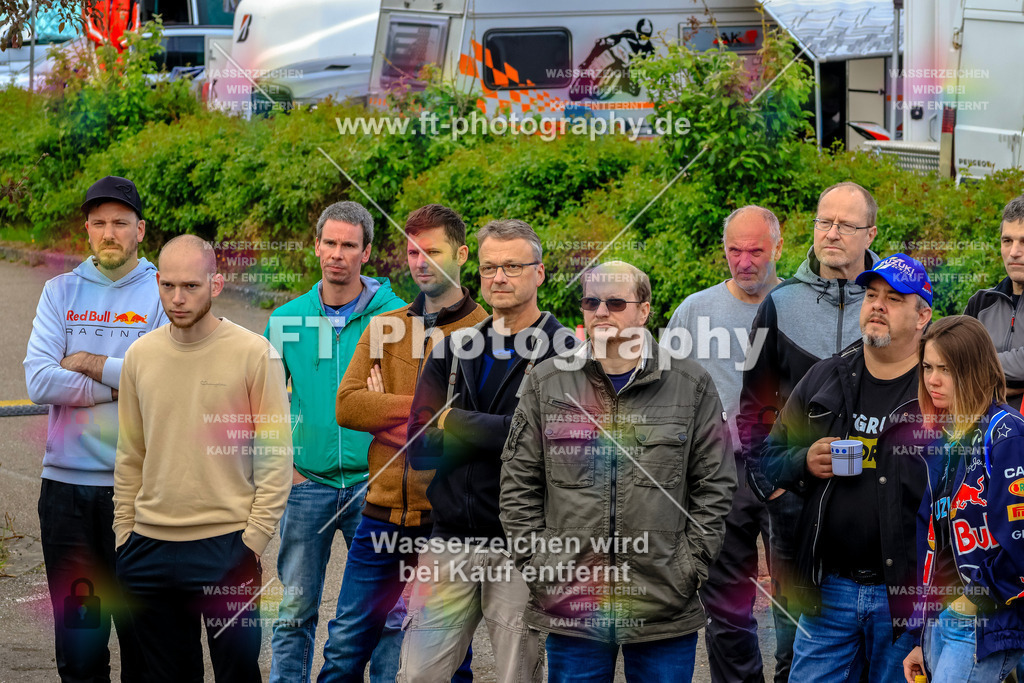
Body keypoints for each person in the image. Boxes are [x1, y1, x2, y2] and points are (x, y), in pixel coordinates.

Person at [502, 260, 736, 682]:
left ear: (644, 311)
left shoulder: (690, 383)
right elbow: (518, 484)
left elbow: (715, 484)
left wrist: (689, 567)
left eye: (615, 302)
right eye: (591, 301)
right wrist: (540, 565)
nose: (601, 312)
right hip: (573, 605)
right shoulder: (547, 382)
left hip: (663, 603)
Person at [399, 219, 576, 683]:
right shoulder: (454, 349)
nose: (498, 277)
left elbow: (554, 446)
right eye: (489, 267)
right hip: (448, 542)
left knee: (518, 675)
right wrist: (506, 433)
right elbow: (419, 450)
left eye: (512, 266)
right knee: (418, 675)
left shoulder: (567, 355)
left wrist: (453, 422)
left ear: (539, 273)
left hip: (524, 548)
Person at [113, 235, 293, 682]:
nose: (178, 298)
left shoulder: (254, 353)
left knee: (237, 674)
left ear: (217, 283)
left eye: (191, 286)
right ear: (157, 282)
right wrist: (124, 534)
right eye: (168, 285)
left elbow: (275, 454)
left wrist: (253, 540)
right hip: (148, 548)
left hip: (227, 545)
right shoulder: (140, 355)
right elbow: (130, 453)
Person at [322, 204, 486, 681]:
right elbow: (348, 406)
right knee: (345, 647)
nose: (420, 262)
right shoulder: (384, 325)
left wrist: (389, 409)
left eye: (432, 251)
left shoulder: (485, 334)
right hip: (379, 517)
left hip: (448, 525)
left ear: (461, 254)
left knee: (449, 659)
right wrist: (432, 411)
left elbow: (479, 431)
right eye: (413, 251)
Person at [759, 254, 934, 682]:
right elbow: (766, 460)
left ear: (922, 316)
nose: (877, 305)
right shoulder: (825, 377)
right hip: (829, 590)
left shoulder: (938, 390)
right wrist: (805, 461)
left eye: (894, 298)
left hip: (905, 599)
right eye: (871, 295)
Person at [738, 181, 881, 681]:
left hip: (871, 501)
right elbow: (753, 406)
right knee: (792, 647)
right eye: (824, 221)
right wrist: (773, 487)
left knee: (875, 644)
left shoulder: (894, 300)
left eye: (846, 224)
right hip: (795, 500)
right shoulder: (778, 304)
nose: (832, 232)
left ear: (871, 233)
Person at [24, 175, 163, 682]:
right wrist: (117, 380)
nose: (109, 232)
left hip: (140, 493)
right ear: (86, 230)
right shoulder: (59, 290)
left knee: (146, 650)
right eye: (99, 223)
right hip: (64, 491)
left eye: (120, 223)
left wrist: (83, 360)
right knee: (79, 653)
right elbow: (39, 379)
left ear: (140, 229)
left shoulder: (162, 291)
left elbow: (161, 378)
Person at [264, 201, 405, 683]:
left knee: (388, 614)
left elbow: (420, 403)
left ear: (367, 253)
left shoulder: (400, 319)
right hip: (308, 485)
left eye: (349, 245)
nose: (337, 254)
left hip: (379, 486)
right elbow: (264, 404)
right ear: (316, 246)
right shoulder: (286, 320)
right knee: (295, 609)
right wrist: (286, 466)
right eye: (330, 243)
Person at [662, 206, 782, 683]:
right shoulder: (695, 310)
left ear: (777, 247)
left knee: (799, 596)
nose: (745, 261)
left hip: (785, 470)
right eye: (735, 250)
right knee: (727, 605)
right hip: (716, 472)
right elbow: (662, 391)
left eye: (756, 250)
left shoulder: (795, 307)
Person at [902, 315, 1024, 683]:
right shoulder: (944, 439)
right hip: (942, 620)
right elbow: (932, 544)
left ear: (974, 370)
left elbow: (1020, 537)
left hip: (984, 622)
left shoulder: (1006, 432)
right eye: (927, 367)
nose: (932, 379)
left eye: (946, 369)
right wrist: (919, 635)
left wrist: (976, 598)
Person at [964, 193, 1024, 410]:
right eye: (1007, 241)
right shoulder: (981, 302)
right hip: (980, 433)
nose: (1014, 252)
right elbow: (955, 361)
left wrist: (977, 374)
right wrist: (1004, 386)